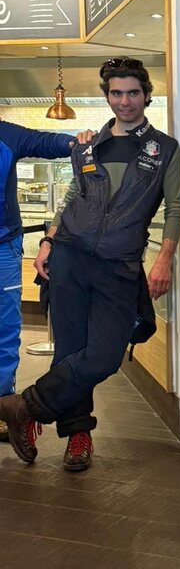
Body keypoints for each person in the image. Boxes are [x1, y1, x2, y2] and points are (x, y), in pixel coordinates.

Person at [0, 58, 180, 471]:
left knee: (103, 355)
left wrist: (165, 259)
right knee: (69, 350)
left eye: (133, 93)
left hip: (119, 266)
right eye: (116, 93)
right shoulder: (87, 145)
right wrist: (49, 240)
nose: (125, 101)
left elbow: (176, 207)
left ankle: (24, 407)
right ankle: (78, 437)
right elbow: (72, 197)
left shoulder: (164, 149)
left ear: (146, 96)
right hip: (70, 256)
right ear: (107, 97)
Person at [0, 120, 94, 443]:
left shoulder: (6, 134)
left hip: (4, 247)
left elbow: (42, 142)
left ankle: (3, 407)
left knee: (5, 330)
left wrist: (76, 143)